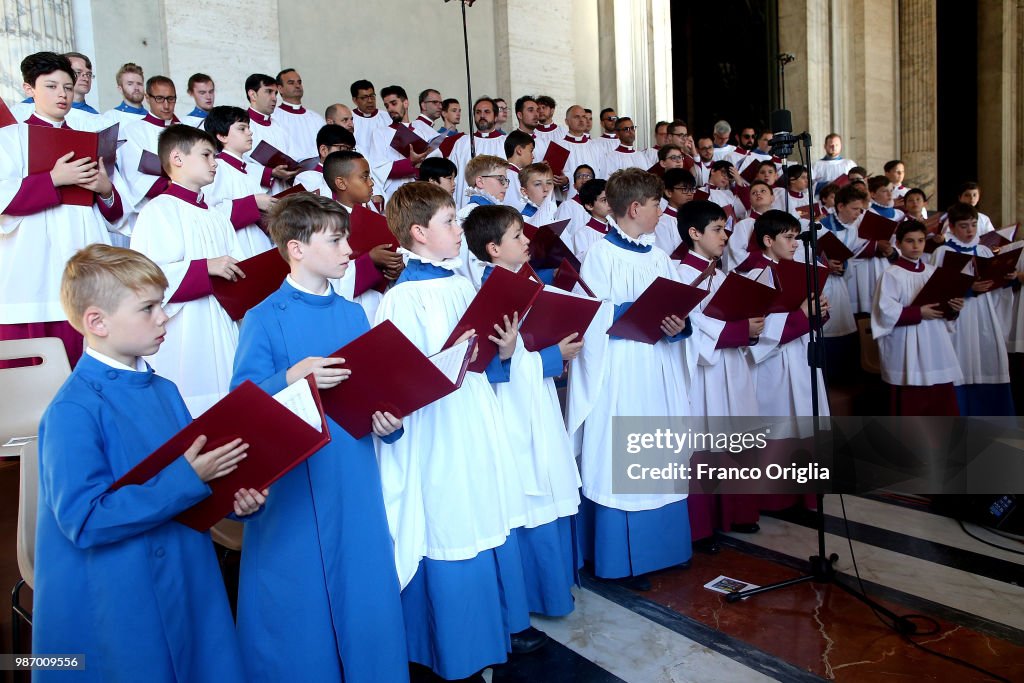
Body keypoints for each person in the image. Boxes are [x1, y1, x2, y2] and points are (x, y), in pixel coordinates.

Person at [34, 243, 262, 683]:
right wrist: (188, 479)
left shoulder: (165, 390)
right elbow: (83, 521)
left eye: (163, 304)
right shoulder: (71, 411)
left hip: (185, 568)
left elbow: (199, 475)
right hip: (121, 588)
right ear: (96, 321)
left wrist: (239, 499)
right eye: (149, 308)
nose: (164, 317)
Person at [231, 194, 408, 683]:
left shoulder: (353, 314)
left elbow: (374, 395)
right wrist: (290, 377)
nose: (350, 249)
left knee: (361, 579)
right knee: (298, 588)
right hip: (295, 475)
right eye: (336, 240)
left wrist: (387, 423)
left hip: (351, 468)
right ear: (297, 249)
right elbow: (240, 408)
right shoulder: (263, 318)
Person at [374, 182, 535, 680]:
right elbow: (398, 383)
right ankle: (456, 647)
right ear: (419, 233)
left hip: (473, 416)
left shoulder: (462, 283)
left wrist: (502, 349)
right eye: (449, 222)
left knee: (485, 508)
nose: (457, 230)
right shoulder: (402, 300)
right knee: (452, 520)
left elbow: (481, 363)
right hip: (438, 430)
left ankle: (495, 631)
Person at [567, 168, 695, 591]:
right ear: (636, 208)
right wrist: (630, 310)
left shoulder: (659, 256)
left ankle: (666, 549)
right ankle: (624, 560)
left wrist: (678, 323)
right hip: (621, 370)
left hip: (657, 366)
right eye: (659, 204)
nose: (664, 212)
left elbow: (678, 307)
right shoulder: (601, 254)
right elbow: (591, 315)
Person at [462, 204, 583, 618]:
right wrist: (551, 355)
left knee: (549, 482)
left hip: (537, 400)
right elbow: (493, 366)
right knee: (527, 493)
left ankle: (555, 587)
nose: (527, 240)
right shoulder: (487, 290)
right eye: (517, 236)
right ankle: (535, 594)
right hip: (512, 411)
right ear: (493, 248)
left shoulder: (524, 279)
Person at [0, 52, 125, 368]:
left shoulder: (89, 141)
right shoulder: (10, 138)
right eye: (52, 86)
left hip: (82, 253)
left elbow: (115, 214)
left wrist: (104, 189)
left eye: (68, 87)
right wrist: (53, 179)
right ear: (29, 89)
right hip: (32, 265)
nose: (62, 95)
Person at [129, 124, 245, 416]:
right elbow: (145, 278)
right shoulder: (158, 211)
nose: (214, 162)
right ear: (178, 159)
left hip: (223, 319)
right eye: (206, 155)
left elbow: (239, 267)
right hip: (186, 329)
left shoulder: (217, 216)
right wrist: (205, 268)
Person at [674, 200, 763, 545]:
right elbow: (691, 330)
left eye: (726, 228)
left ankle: (738, 512)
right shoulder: (679, 275)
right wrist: (739, 330)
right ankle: (703, 525)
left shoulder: (723, 275)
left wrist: (752, 327)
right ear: (694, 234)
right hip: (705, 375)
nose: (725, 235)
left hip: (732, 367)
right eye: (717, 229)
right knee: (705, 445)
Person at [931, 202, 1015, 415]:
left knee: (987, 359)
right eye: (964, 226)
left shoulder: (984, 250)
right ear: (951, 226)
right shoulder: (942, 252)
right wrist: (968, 287)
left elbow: (997, 288)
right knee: (960, 360)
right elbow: (934, 289)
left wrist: (1006, 278)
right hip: (958, 317)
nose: (969, 231)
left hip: (984, 313)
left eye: (973, 225)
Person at [872, 220, 964, 414]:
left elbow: (944, 310)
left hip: (935, 341)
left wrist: (953, 309)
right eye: (910, 241)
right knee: (912, 397)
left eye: (921, 241)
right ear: (898, 243)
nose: (916, 246)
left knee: (941, 397)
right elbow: (884, 312)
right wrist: (918, 312)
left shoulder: (934, 273)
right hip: (906, 343)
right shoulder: (891, 274)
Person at [201, 105, 277, 258]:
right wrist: (253, 203)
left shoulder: (248, 171)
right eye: (242, 129)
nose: (250, 132)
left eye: (248, 127)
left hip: (259, 245)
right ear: (222, 136)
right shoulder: (217, 168)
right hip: (236, 250)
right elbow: (210, 214)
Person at [367, 85, 431, 203]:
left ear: (405, 103)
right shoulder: (380, 133)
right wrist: (410, 162)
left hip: (420, 193)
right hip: (394, 194)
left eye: (394, 103)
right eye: (387, 106)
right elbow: (378, 169)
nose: (390, 109)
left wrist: (422, 163)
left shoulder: (421, 133)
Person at [449, 97, 507, 207]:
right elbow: (452, 175)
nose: (482, 116)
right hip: (465, 204)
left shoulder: (505, 142)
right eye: (478, 112)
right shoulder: (462, 142)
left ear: (495, 116)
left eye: (487, 112)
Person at [244, 74, 299, 191]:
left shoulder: (280, 126)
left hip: (284, 190)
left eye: (275, 93)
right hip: (258, 193)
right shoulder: (241, 126)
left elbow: (292, 155)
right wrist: (270, 172)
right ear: (252, 94)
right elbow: (237, 162)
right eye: (269, 92)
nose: (274, 98)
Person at [274, 68, 327, 161]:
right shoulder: (274, 117)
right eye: (291, 83)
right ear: (280, 89)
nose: (297, 85)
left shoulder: (316, 118)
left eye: (299, 82)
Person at [294, 123, 356, 197]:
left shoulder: (353, 179)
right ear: (324, 150)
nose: (349, 155)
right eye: (343, 149)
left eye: (350, 150)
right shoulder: (307, 178)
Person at [653, 168, 697, 256]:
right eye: (685, 189)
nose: (690, 194)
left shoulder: (693, 219)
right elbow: (664, 256)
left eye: (692, 189)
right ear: (669, 192)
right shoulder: (661, 222)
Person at [349, 79, 393, 153]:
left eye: (372, 96)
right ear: (355, 100)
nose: (370, 101)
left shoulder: (387, 117)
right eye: (364, 97)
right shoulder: (349, 119)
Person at [503, 129, 535, 211]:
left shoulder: (511, 173)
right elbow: (516, 207)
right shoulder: (510, 175)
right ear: (519, 150)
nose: (533, 156)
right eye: (531, 151)